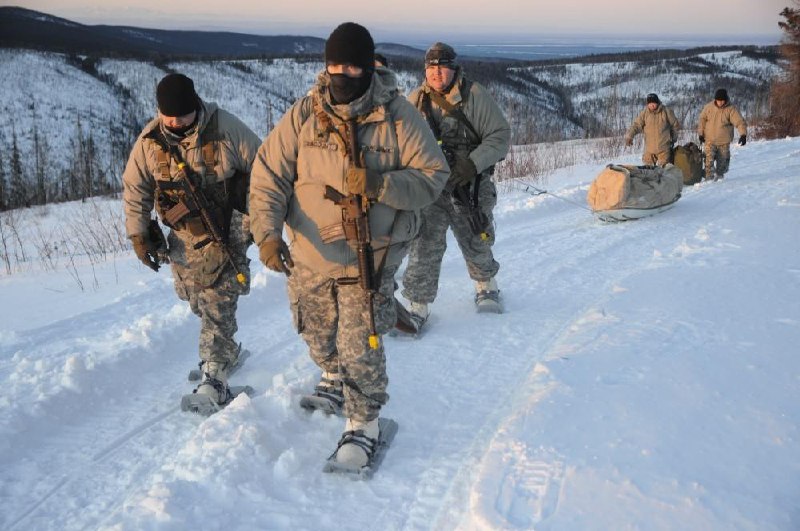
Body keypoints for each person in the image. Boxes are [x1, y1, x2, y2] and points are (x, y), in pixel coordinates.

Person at [249, 22, 447, 469]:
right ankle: (333, 375)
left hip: (369, 255)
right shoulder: (306, 114)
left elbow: (434, 176)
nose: (342, 74)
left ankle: (363, 426)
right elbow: (268, 175)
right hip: (310, 253)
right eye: (335, 65)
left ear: (368, 67)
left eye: (353, 66)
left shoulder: (397, 116)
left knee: (361, 343)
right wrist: (265, 232)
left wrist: (381, 184)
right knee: (318, 334)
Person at [122, 73, 260, 412]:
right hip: (184, 235)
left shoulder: (225, 128)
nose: (174, 123)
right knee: (193, 296)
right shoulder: (150, 140)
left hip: (228, 226)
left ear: (195, 108)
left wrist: (259, 221)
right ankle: (225, 349)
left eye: (181, 116)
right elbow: (136, 188)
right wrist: (138, 233)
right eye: (168, 116)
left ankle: (214, 377)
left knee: (217, 297)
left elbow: (265, 169)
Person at [399, 41, 511, 329]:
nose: (437, 73)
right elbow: (403, 143)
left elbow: (499, 135)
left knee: (476, 236)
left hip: (469, 186)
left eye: (442, 67)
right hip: (431, 189)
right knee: (424, 244)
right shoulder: (416, 101)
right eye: (431, 67)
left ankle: (487, 286)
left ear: (453, 69)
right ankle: (417, 305)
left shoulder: (474, 96)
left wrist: (473, 163)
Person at [697, 88, 748, 181]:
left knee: (722, 165)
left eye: (722, 100)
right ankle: (708, 180)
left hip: (724, 142)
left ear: (725, 99)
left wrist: (743, 135)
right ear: (715, 99)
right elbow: (702, 120)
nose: (720, 102)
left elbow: (740, 122)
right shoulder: (709, 107)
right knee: (708, 162)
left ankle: (719, 181)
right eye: (718, 100)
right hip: (709, 140)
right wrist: (701, 134)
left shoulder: (731, 109)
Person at [624, 93, 680, 166]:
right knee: (648, 172)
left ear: (657, 102)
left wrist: (673, 138)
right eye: (650, 104)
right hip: (649, 150)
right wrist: (629, 136)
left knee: (664, 172)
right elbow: (636, 125)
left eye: (653, 103)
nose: (652, 105)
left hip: (664, 149)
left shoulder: (666, 111)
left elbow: (675, 125)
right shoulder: (644, 113)